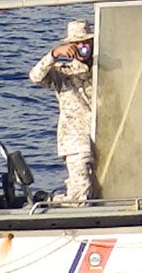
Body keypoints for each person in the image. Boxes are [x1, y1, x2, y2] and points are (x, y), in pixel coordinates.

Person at [27, 18, 97, 204]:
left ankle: (54, 200)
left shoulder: (103, 70)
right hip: (75, 140)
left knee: (100, 188)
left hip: (105, 136)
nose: (82, 46)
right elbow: (35, 77)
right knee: (80, 192)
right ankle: (55, 203)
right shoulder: (61, 72)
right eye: (76, 43)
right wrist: (54, 54)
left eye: (85, 42)